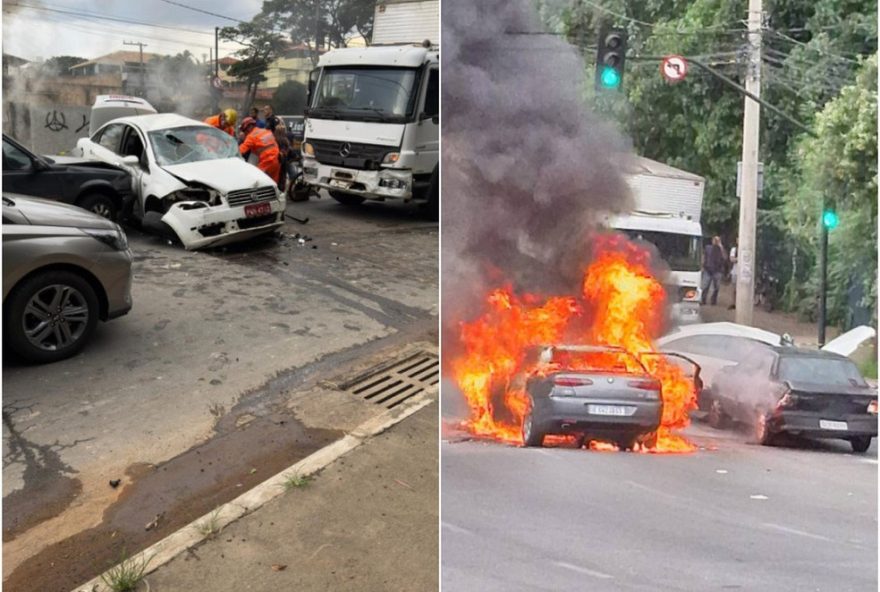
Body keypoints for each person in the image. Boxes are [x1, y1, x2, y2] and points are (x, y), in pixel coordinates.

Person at [238, 116, 280, 183]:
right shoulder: (265, 131)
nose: (244, 133)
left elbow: (241, 150)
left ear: (249, 127)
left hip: (267, 160)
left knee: (258, 182)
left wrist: (231, 154)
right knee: (273, 183)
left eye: (244, 130)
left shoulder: (251, 136)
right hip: (277, 159)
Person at [701, 235, 725, 306]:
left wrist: (721, 247)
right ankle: (703, 299)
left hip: (718, 270)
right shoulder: (708, 247)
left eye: (717, 240)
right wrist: (703, 265)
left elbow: (725, 258)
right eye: (715, 240)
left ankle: (713, 300)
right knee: (705, 286)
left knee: (716, 287)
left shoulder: (721, 249)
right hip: (708, 269)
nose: (716, 241)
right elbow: (704, 256)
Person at [274, 123, 291, 190]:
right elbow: (287, 150)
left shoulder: (274, 139)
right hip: (284, 160)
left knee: (277, 176)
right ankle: (281, 189)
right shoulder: (285, 140)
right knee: (283, 176)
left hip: (276, 160)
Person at [728, 240, 738, 310]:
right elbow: (731, 259)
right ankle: (733, 303)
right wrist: (738, 258)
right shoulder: (734, 249)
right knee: (734, 289)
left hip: (743, 273)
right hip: (735, 272)